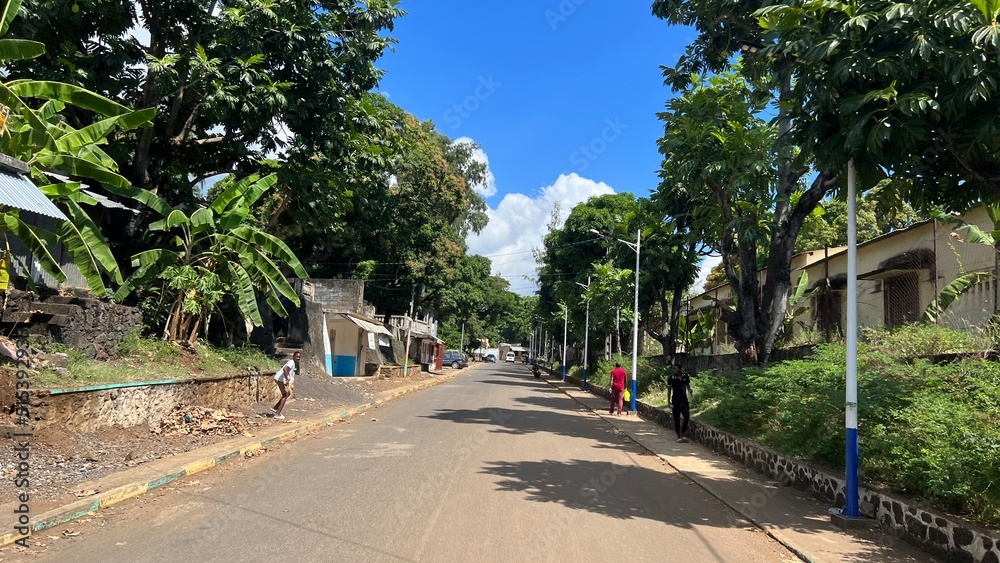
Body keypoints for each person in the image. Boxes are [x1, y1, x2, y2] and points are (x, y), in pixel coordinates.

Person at [667, 363, 692, 442]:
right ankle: (678, 436)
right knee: (676, 418)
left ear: (679, 369)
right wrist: (669, 402)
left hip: (684, 400)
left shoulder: (685, 376)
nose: (674, 370)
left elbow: (687, 386)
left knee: (687, 417)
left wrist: (690, 390)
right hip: (675, 400)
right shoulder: (671, 378)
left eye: (675, 369)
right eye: (673, 369)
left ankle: (683, 433)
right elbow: (669, 390)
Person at [271, 351, 300, 420]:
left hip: (279, 379)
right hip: (281, 379)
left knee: (287, 393)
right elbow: (285, 369)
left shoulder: (292, 363)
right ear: (293, 356)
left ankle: (275, 408)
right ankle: (278, 414)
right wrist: (287, 379)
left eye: (299, 357)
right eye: (297, 357)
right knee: (286, 394)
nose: (298, 358)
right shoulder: (291, 362)